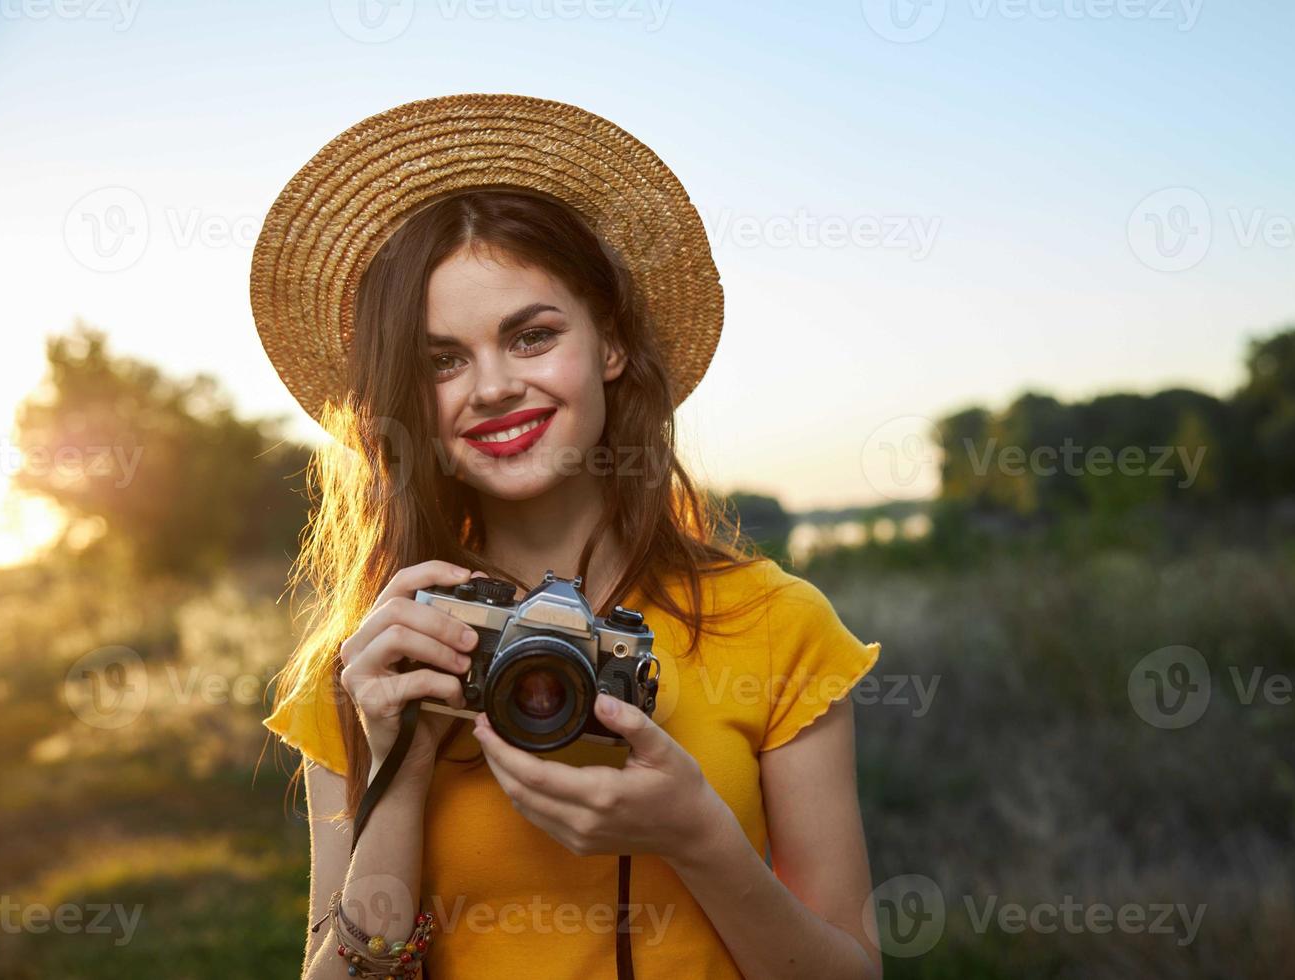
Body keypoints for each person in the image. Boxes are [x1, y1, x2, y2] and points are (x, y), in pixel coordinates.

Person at [253, 93, 883, 980]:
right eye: (441, 360)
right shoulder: (378, 657)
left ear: (611, 345)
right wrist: (398, 769)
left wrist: (700, 839)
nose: (493, 387)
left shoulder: (778, 624)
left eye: (532, 336)